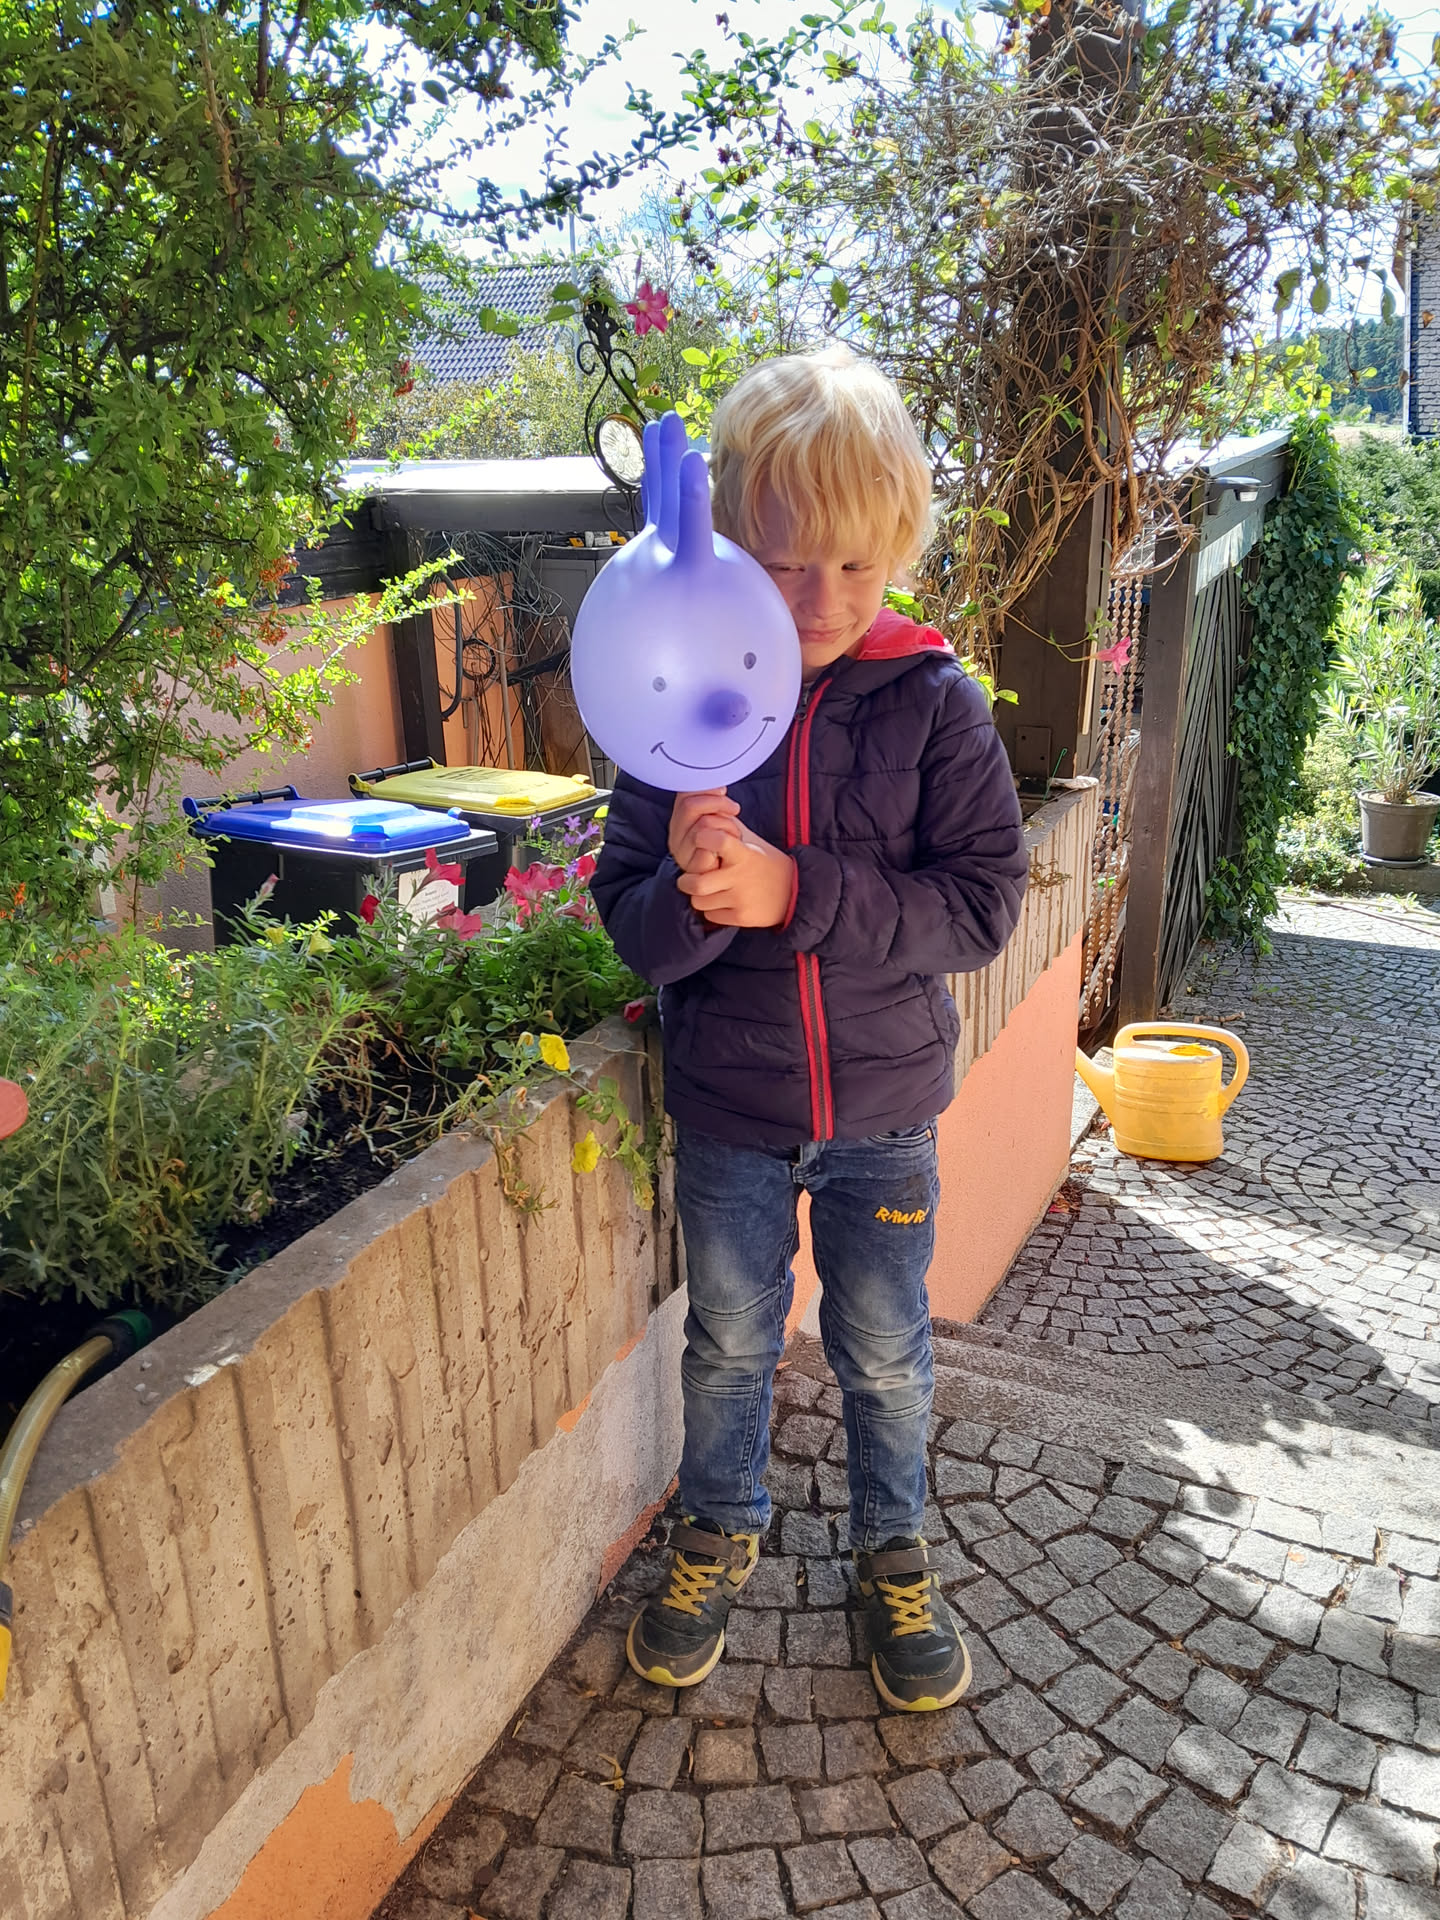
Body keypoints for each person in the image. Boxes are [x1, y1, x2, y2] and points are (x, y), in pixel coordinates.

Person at [591, 345, 1029, 1712]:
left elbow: (981, 907)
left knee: (885, 1352)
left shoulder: (935, 703)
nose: (823, 598)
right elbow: (629, 922)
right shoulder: (675, 699)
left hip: (885, 1120)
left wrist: (797, 893)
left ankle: (892, 1549)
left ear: (899, 548)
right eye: (784, 565)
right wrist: (692, 895)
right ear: (728, 546)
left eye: (855, 564)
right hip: (732, 1111)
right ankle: (718, 1529)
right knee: (728, 1343)